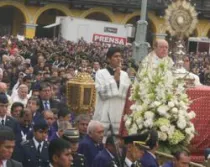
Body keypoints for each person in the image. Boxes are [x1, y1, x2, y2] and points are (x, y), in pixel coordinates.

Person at [93, 47, 131, 135]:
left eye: (120, 56)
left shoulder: (125, 75)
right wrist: (116, 80)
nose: (119, 59)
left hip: (119, 112)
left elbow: (127, 94)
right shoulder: (100, 73)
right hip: (104, 112)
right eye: (115, 56)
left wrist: (117, 82)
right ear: (108, 59)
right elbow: (102, 93)